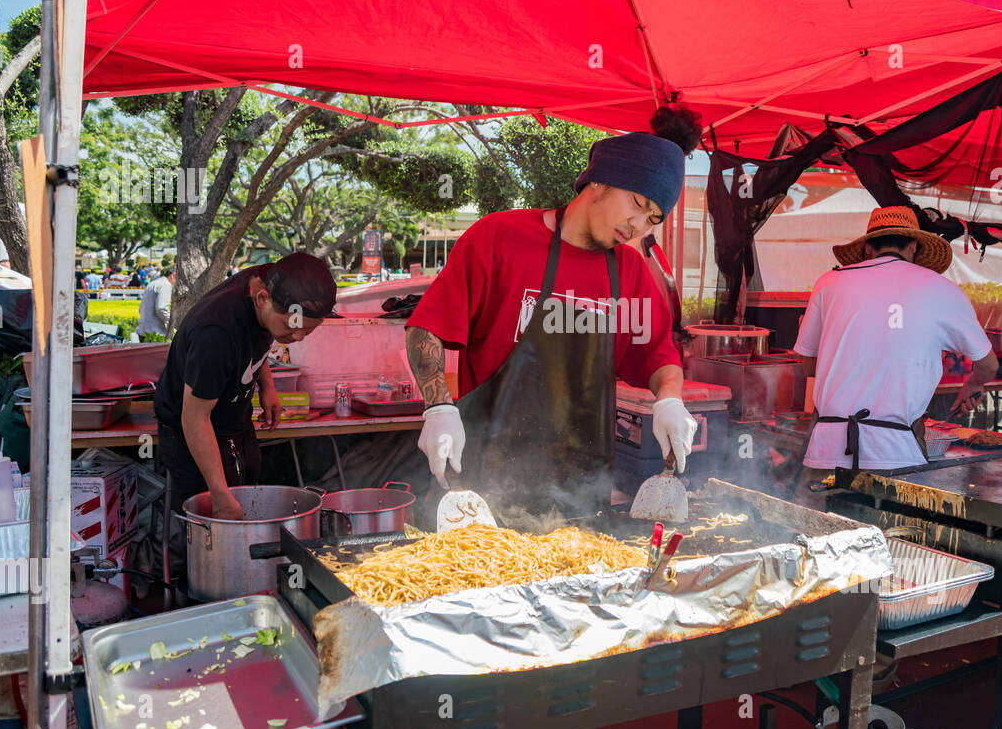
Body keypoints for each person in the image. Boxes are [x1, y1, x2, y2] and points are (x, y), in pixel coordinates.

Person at [405, 108, 702, 517]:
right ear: (599, 180)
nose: (638, 226)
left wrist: (670, 401)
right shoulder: (499, 238)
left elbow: (660, 357)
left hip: (581, 499)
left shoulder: (629, 272)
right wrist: (438, 407)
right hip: (483, 494)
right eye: (637, 203)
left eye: (652, 219)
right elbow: (426, 328)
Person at [791, 205, 999, 492]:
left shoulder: (828, 283)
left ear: (866, 249)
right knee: (892, 533)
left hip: (828, 447)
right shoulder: (942, 290)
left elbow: (810, 366)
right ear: (914, 246)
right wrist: (972, 385)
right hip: (896, 452)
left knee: (819, 531)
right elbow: (988, 365)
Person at [154, 252, 338, 535]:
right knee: (208, 525)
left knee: (246, 494)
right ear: (262, 299)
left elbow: (257, 339)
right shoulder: (215, 334)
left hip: (235, 421)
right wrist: (219, 493)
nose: (299, 338)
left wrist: (268, 387)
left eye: (308, 331)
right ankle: (193, 576)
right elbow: (194, 419)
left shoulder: (272, 279)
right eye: (293, 327)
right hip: (192, 430)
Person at [137, 268, 176, 338]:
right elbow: (161, 308)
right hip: (154, 332)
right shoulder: (165, 285)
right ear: (173, 275)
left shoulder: (154, 283)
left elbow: (140, 308)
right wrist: (173, 323)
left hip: (144, 330)